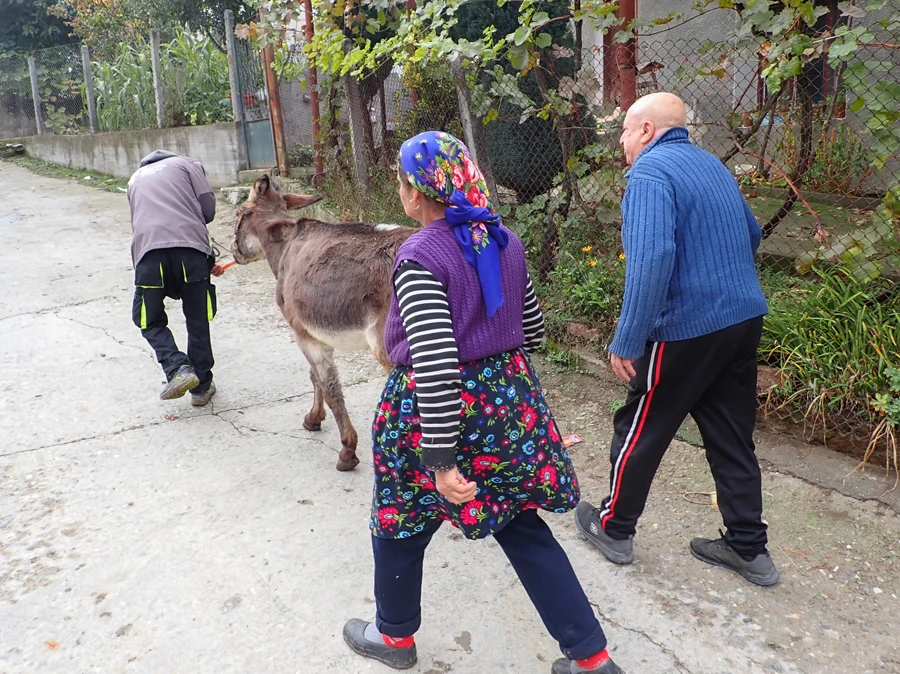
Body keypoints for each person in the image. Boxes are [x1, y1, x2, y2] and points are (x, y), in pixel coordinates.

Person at [342, 132, 624, 674]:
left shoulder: (420, 255)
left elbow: (435, 363)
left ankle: (394, 636)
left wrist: (441, 459)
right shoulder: (504, 240)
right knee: (521, 526)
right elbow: (533, 330)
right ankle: (592, 658)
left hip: (433, 413)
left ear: (415, 192)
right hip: (507, 403)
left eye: (400, 182)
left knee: (401, 519)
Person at [575, 93, 779, 587]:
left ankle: (614, 528)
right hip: (742, 318)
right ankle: (748, 546)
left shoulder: (650, 172)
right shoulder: (711, 165)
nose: (621, 141)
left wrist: (628, 338)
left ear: (647, 130)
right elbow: (751, 234)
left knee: (641, 426)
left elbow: (651, 260)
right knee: (731, 435)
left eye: (625, 130)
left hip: (688, 326)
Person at [127, 150, 223, 406]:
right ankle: (201, 388)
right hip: (190, 253)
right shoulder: (187, 164)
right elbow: (207, 208)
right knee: (197, 318)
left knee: (148, 320)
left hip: (149, 256)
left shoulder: (135, 178)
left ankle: (177, 367)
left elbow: (138, 221)